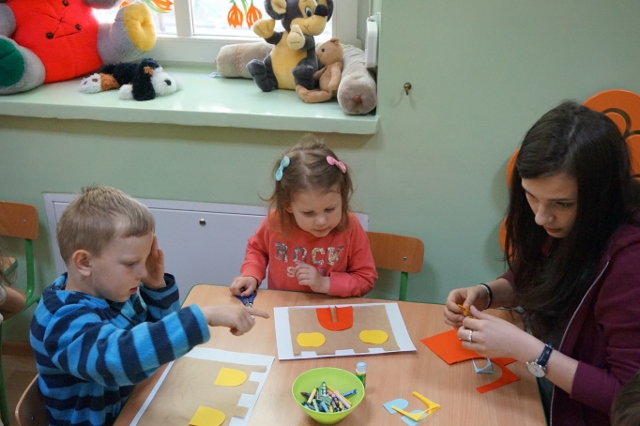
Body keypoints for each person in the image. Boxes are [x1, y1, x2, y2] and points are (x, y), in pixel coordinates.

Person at [443, 101, 640, 426]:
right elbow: (536, 276)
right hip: (539, 390)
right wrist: (486, 293)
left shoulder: (630, 261)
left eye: (562, 203)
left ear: (601, 196)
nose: (540, 217)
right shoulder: (562, 225)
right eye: (531, 196)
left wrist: (530, 350)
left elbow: (622, 397)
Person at [30, 186, 269, 426]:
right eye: (131, 263)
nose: (142, 272)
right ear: (84, 262)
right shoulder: (61, 319)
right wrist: (201, 316)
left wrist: (156, 288)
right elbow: (119, 360)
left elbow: (155, 344)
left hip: (135, 404)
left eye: (144, 260)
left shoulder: (112, 291)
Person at [230, 135, 377, 298]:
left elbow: (366, 279)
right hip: (283, 305)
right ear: (288, 205)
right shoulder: (276, 222)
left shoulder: (350, 226)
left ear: (342, 197)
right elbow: (258, 250)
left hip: (331, 308)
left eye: (330, 209)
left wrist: (324, 283)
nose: (321, 221)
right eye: (308, 213)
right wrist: (251, 274)